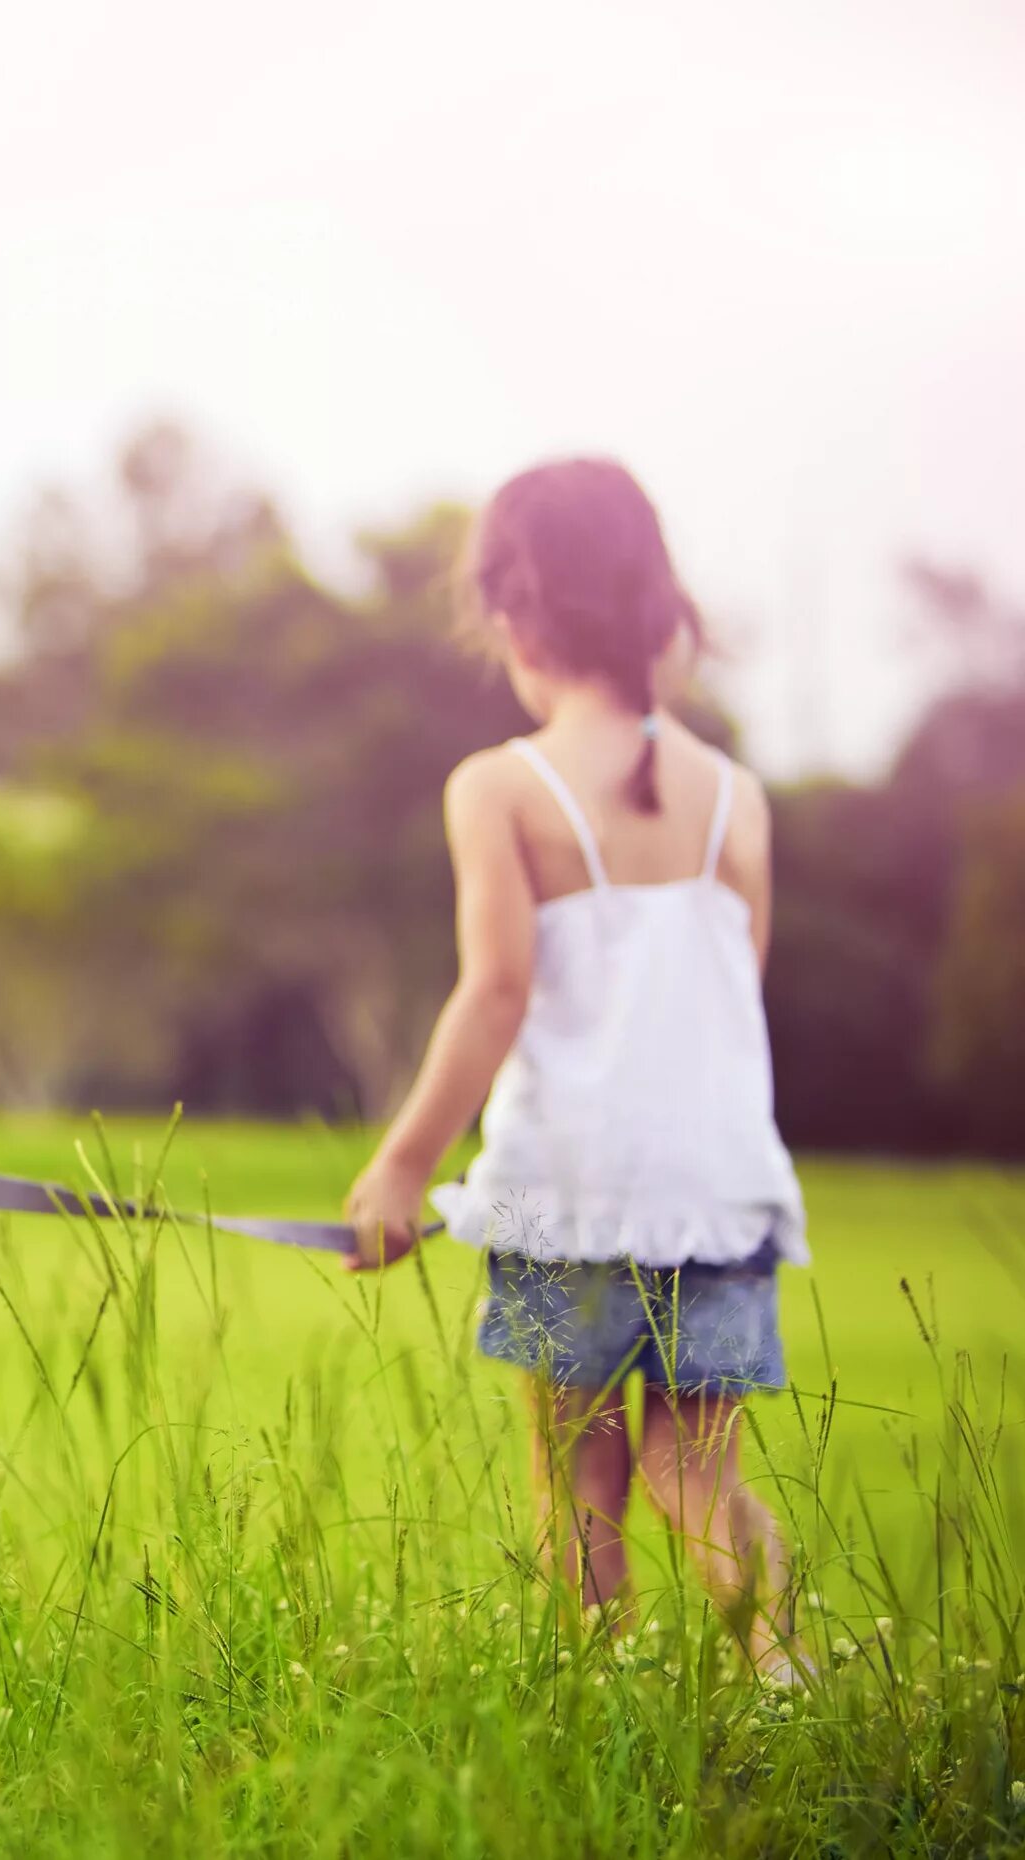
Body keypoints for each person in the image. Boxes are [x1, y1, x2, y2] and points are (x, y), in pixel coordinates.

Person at [341, 458, 806, 1672]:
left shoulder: (500, 787)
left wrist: (401, 1170)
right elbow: (732, 998)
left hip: (566, 1201)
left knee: (577, 1483)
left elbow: (494, 993)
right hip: (718, 1195)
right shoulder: (736, 801)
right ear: (661, 610)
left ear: (512, 619)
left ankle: (590, 1709)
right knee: (697, 1472)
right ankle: (788, 1678)